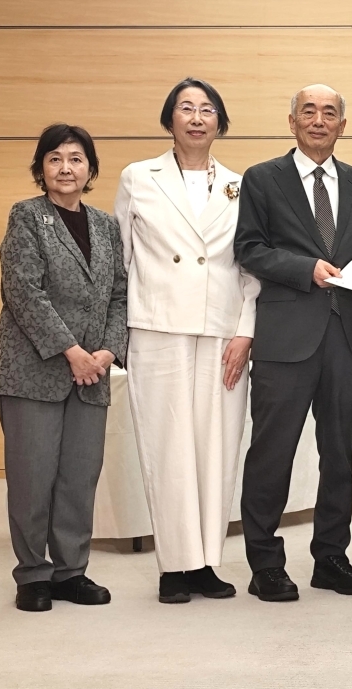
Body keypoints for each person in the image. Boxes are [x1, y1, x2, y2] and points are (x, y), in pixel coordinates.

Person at [234, 84, 352, 602]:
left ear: (343, 125)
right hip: (286, 338)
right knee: (273, 452)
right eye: (309, 111)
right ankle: (264, 563)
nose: (319, 120)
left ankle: (331, 557)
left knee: (339, 452)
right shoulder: (261, 179)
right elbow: (248, 249)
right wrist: (304, 269)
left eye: (330, 113)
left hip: (347, 336)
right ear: (292, 121)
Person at [114, 78, 260, 604]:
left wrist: (246, 331)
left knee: (217, 447)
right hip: (157, 326)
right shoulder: (139, 177)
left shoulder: (244, 185)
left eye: (207, 109)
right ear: (169, 119)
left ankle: (207, 563)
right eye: (186, 108)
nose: (197, 118)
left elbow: (251, 267)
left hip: (222, 330)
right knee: (168, 445)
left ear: (220, 121)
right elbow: (121, 259)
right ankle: (174, 566)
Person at [0, 123, 128, 612]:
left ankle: (72, 570)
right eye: (54, 159)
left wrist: (108, 352)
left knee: (78, 475)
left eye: (75, 158)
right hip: (34, 370)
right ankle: (33, 574)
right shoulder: (27, 217)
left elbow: (119, 293)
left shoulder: (105, 225)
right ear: (41, 168)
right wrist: (72, 351)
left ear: (90, 169)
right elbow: (24, 292)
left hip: (93, 372)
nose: (65, 168)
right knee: (32, 476)